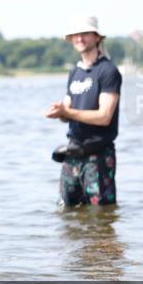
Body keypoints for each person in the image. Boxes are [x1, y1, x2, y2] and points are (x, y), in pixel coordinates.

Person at [45, 17, 122, 206]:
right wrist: (59, 112)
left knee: (102, 215)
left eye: (85, 33)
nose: (80, 38)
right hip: (72, 152)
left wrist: (68, 112)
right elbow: (68, 111)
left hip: (99, 155)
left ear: (96, 37)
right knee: (66, 213)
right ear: (71, 39)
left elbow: (104, 117)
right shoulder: (75, 73)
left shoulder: (108, 71)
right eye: (76, 35)